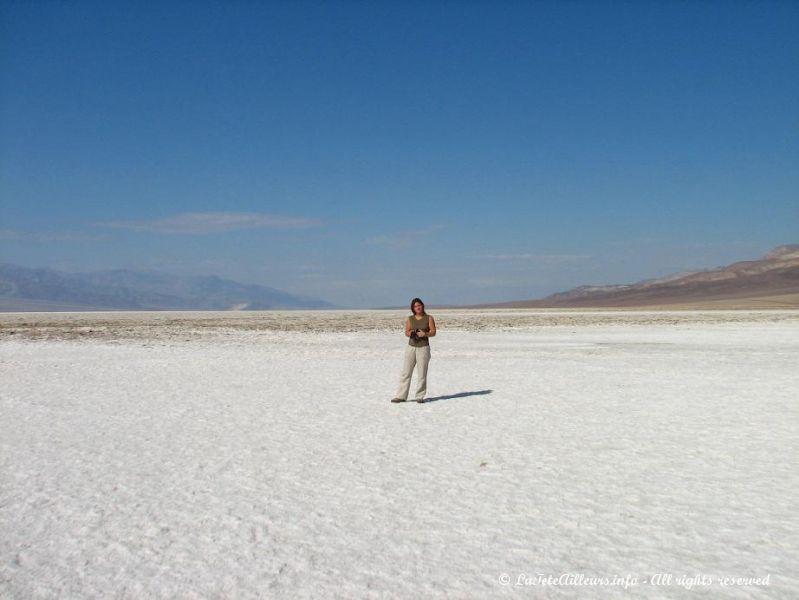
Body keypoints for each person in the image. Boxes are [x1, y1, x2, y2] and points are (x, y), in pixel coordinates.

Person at [391, 297, 436, 403]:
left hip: (423, 348)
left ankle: (419, 396)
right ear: (413, 308)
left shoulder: (429, 318)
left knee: (422, 373)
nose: (418, 307)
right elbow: (406, 332)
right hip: (411, 347)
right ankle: (401, 396)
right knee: (406, 372)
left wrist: (424, 334)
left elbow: (433, 332)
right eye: (415, 306)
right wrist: (411, 333)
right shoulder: (410, 319)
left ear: (422, 305)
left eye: (419, 305)